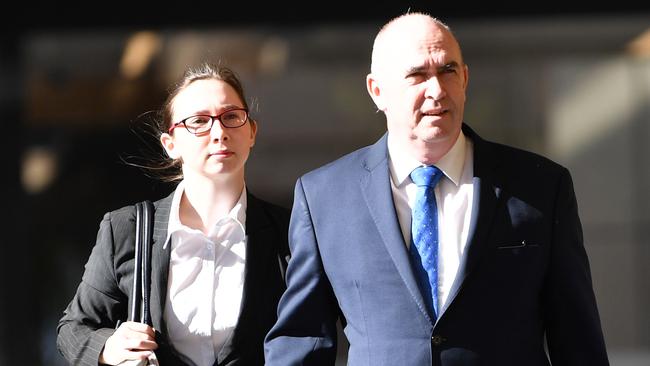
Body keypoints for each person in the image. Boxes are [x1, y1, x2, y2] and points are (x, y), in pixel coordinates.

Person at [264, 12, 609, 366]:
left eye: (448, 71)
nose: (437, 90)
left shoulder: (539, 187)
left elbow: (577, 340)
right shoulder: (325, 197)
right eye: (417, 75)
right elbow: (302, 341)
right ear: (377, 90)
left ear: (465, 79)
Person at [57, 63, 290, 366]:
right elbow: (73, 329)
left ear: (251, 132)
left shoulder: (285, 231)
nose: (219, 132)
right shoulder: (127, 229)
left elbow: (309, 335)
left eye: (231, 117)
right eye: (198, 121)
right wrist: (108, 347)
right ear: (170, 144)